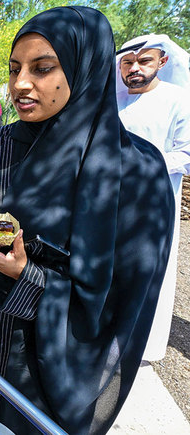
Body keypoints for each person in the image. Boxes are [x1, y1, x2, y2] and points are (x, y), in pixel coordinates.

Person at [0, 6, 173, 434]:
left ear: (86, 68)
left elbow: (119, 305)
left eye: (42, 68)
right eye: (14, 69)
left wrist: (26, 276)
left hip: (33, 380)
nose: (20, 84)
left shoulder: (134, 173)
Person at [116, 34, 190, 362]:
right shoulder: (112, 100)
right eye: (128, 62)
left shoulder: (179, 99)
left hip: (154, 203)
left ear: (162, 62)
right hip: (111, 200)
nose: (135, 68)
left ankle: (139, 346)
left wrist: (145, 165)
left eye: (144, 60)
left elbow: (186, 155)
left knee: (146, 271)